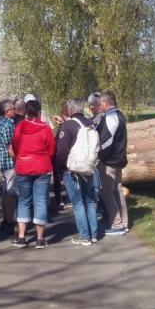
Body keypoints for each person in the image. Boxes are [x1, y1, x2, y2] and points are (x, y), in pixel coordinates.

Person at [11, 100, 55, 249]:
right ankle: (40, 239)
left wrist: (22, 156)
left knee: (23, 201)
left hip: (23, 166)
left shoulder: (20, 126)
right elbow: (51, 149)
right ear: (39, 112)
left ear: (25, 111)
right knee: (40, 201)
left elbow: (15, 145)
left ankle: (21, 237)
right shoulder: (45, 128)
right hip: (42, 166)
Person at [55, 98, 98, 245]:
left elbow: (61, 152)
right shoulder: (90, 123)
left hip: (72, 169)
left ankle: (84, 236)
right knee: (89, 201)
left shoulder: (67, 125)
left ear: (70, 110)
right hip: (89, 167)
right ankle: (93, 234)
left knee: (78, 203)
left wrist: (61, 169)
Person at [96, 91, 129, 236]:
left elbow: (109, 139)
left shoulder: (111, 116)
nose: (99, 105)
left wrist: (98, 150)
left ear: (106, 103)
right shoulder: (119, 115)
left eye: (100, 103)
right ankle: (124, 223)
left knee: (106, 192)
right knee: (117, 190)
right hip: (118, 158)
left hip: (109, 160)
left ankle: (117, 224)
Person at [0, 99, 18, 234]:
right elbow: (10, 148)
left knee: (5, 192)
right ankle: (9, 221)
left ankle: (5, 219)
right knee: (11, 194)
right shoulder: (8, 125)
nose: (15, 111)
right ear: (8, 112)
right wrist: (18, 161)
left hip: (2, 162)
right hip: (9, 163)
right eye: (13, 109)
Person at [51, 103, 71, 210]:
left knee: (60, 179)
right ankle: (66, 199)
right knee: (66, 177)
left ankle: (61, 200)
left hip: (60, 155)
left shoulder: (67, 125)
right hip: (64, 155)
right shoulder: (66, 125)